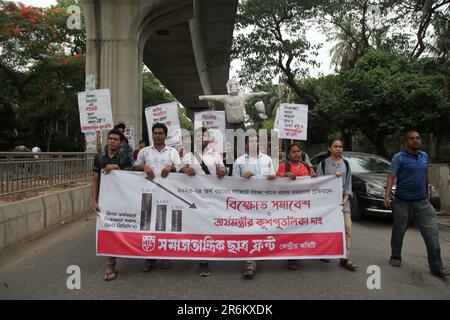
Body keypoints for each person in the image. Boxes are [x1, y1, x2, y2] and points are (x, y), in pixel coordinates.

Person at [385, 131, 449, 279]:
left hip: (422, 203)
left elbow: (425, 175)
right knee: (399, 231)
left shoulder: (424, 156)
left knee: (432, 233)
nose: (415, 140)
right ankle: (396, 256)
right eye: (411, 139)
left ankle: (437, 267)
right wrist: (387, 195)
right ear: (405, 142)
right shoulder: (398, 157)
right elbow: (391, 177)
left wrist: (427, 195)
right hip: (402, 202)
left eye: (418, 138)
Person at [133, 123, 182, 272]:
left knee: (165, 225)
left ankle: (165, 255)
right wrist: (144, 167)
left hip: (167, 195)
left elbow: (179, 168)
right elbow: (134, 166)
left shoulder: (172, 152)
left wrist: (171, 168)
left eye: (160, 133)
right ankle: (150, 258)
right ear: (152, 134)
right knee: (148, 226)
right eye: (155, 133)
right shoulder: (144, 152)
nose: (157, 135)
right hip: (148, 195)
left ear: (165, 135)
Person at [180, 127, 228, 276]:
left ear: (209, 139)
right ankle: (201, 259)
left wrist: (222, 171)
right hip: (193, 198)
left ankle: (208, 258)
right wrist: (184, 170)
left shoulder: (215, 155)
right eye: (199, 135)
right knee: (197, 228)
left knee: (208, 227)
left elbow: (223, 170)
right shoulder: (188, 156)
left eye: (204, 135)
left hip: (211, 197)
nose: (201, 138)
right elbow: (178, 171)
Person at [233, 133, 276, 279]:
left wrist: (272, 177)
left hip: (264, 202)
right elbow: (231, 184)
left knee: (263, 228)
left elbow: (274, 178)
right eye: (250, 141)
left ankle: (259, 252)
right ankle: (250, 262)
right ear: (245, 145)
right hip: (247, 203)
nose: (253, 143)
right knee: (250, 230)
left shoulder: (268, 159)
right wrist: (242, 179)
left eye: (256, 141)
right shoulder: (239, 161)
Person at [92, 129, 133, 281]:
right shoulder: (99, 157)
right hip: (105, 200)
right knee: (107, 230)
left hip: (121, 199)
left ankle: (128, 252)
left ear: (120, 142)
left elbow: (131, 177)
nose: (112, 141)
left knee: (123, 227)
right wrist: (94, 201)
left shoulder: (125, 157)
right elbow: (95, 179)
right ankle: (111, 264)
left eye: (116, 139)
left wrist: (117, 168)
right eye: (110, 139)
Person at [316, 138, 358, 271]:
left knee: (347, 228)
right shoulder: (322, 165)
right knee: (326, 229)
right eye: (335, 146)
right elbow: (318, 184)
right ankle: (324, 252)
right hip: (327, 205)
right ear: (329, 148)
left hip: (343, 203)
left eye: (340, 146)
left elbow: (348, 184)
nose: (338, 149)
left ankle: (345, 258)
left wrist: (346, 198)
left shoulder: (346, 164)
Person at [277, 144, 315, 271]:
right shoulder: (284, 166)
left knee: (301, 231)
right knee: (290, 231)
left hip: (304, 205)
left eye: (298, 151)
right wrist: (285, 175)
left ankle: (299, 254)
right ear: (288, 154)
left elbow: (314, 182)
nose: (297, 154)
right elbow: (274, 183)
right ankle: (291, 258)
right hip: (288, 206)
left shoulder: (307, 167)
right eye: (294, 152)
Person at [199, 78, 267, 131]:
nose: (231, 87)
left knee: (241, 143)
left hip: (240, 123)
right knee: (230, 144)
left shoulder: (242, 96)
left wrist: (261, 93)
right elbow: (213, 97)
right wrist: (203, 97)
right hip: (230, 124)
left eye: (233, 85)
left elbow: (253, 94)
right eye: (230, 86)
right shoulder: (225, 98)